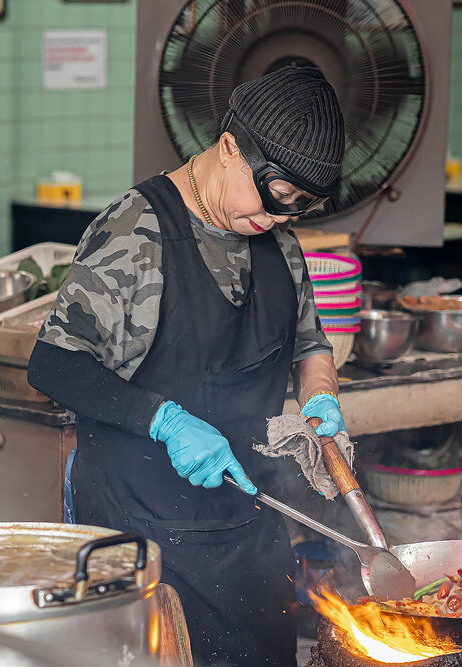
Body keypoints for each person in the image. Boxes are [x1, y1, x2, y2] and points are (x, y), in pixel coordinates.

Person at [26, 66, 345, 667]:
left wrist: (321, 400)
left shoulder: (275, 236)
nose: (280, 218)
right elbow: (54, 364)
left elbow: (309, 342)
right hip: (144, 537)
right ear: (229, 148)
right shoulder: (137, 231)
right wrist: (166, 420)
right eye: (276, 196)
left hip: (250, 524)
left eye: (300, 208)